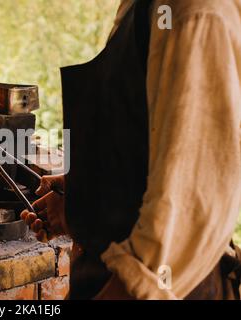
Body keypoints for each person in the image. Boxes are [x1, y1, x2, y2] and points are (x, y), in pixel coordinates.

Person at [21, 0, 241, 300]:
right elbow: (145, 146)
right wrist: (83, 200)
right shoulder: (141, 8)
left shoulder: (195, 13)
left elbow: (187, 205)